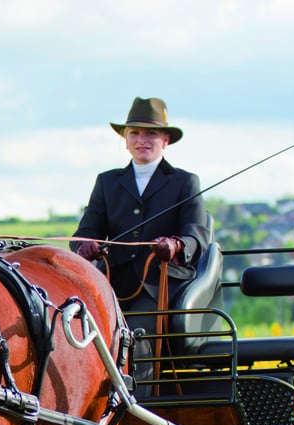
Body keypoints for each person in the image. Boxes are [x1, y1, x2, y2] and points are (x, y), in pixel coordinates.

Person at [71, 97, 211, 334]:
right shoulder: (107, 182)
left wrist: (175, 245)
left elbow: (196, 236)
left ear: (165, 140)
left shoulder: (185, 182)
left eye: (150, 134)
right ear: (125, 140)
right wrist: (85, 245)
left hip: (163, 286)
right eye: (134, 133)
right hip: (112, 284)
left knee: (135, 338)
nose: (141, 140)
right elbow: (85, 232)